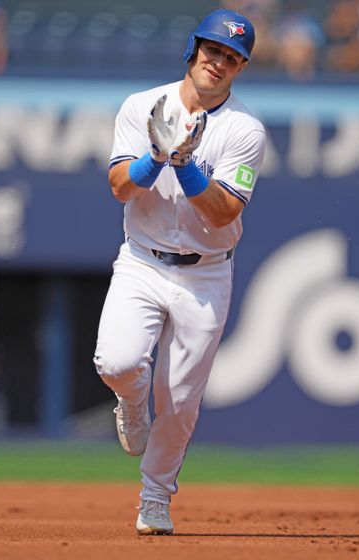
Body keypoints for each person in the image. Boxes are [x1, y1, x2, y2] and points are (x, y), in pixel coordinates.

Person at [93, 9, 266, 535]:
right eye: (214, 51)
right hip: (143, 258)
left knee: (182, 400)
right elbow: (121, 186)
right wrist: (157, 156)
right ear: (194, 49)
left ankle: (154, 499)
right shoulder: (141, 105)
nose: (220, 62)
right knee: (117, 362)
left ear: (239, 69)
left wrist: (186, 164)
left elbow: (223, 212)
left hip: (205, 273)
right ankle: (130, 399)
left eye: (232, 58)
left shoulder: (246, 130)